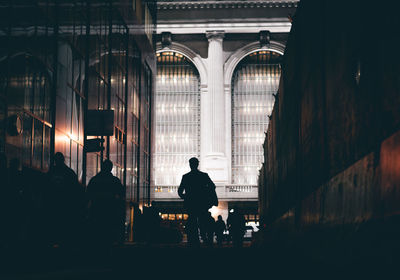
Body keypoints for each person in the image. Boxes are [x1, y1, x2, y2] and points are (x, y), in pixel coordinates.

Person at [46, 152, 85, 247]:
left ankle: (55, 241)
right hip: (66, 205)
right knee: (63, 225)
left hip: (53, 204)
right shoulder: (69, 173)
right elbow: (76, 190)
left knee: (54, 224)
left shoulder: (51, 172)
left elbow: (46, 188)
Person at [178, 157, 217, 247]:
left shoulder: (186, 177)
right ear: (197, 164)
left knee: (192, 222)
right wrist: (206, 194)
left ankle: (193, 240)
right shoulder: (204, 175)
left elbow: (180, 191)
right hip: (201, 203)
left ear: (190, 165)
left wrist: (185, 197)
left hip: (191, 204)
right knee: (202, 221)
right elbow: (212, 186)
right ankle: (204, 237)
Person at [87, 159, 125, 247]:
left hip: (96, 212)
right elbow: (121, 195)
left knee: (97, 237)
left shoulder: (94, 180)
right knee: (108, 238)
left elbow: (88, 195)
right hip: (110, 212)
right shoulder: (115, 181)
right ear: (111, 168)